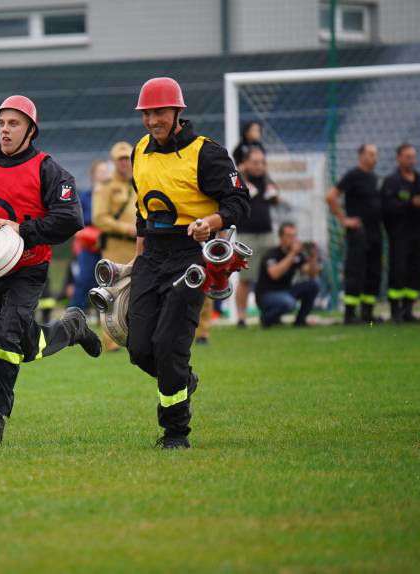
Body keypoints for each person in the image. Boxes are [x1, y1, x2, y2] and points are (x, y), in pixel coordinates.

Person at [0, 95, 102, 445]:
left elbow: (70, 218)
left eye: (14, 123)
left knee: (5, 337)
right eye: (1, 123)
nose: (5, 130)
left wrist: (23, 229)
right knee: (22, 343)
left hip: (30, 268)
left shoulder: (48, 169)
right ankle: (71, 328)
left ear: (31, 130)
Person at [127, 77, 249, 449]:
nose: (152, 121)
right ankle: (183, 379)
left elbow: (240, 203)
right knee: (138, 346)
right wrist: (137, 259)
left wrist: (209, 223)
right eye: (147, 114)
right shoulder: (140, 150)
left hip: (190, 255)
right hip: (152, 255)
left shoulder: (207, 153)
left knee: (169, 344)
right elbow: (141, 210)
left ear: (178, 112)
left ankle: (175, 431)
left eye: (159, 113)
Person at [326, 144, 383, 324]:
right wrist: (344, 219)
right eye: (371, 154)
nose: (375, 157)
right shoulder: (353, 175)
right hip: (359, 232)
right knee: (355, 272)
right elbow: (331, 196)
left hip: (375, 232)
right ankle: (350, 314)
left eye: (376, 154)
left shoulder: (373, 177)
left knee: (374, 272)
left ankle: (368, 313)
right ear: (361, 156)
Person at [382, 143, 420, 323]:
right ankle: (395, 311)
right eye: (407, 157)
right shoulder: (392, 182)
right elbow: (387, 208)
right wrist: (410, 204)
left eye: (413, 156)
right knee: (398, 271)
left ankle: (408, 310)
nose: (412, 160)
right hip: (399, 235)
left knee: (416, 271)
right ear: (399, 158)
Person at [93, 141, 138, 351]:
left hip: (138, 247)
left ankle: (133, 336)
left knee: (136, 294)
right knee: (112, 294)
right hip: (115, 246)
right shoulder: (107, 186)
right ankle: (111, 342)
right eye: (120, 159)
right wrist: (126, 229)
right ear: (114, 162)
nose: (124, 163)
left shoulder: (139, 182)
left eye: (127, 158)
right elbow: (99, 218)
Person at [235, 146, 279, 327]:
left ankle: (269, 314)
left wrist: (273, 190)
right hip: (247, 236)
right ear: (245, 164)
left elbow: (275, 200)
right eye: (255, 162)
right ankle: (241, 317)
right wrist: (241, 175)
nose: (260, 166)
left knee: (269, 278)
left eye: (262, 162)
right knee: (245, 278)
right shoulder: (239, 180)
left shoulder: (266, 180)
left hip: (267, 235)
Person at [255, 223, 320, 327]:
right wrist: (292, 254)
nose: (293, 239)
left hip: (286, 291)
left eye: (294, 236)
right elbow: (274, 274)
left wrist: (313, 256)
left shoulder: (297, 254)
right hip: (267, 295)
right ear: (281, 237)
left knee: (313, 285)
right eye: (289, 236)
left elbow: (312, 273)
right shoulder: (272, 254)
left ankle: (301, 321)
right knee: (289, 302)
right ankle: (267, 318)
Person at [70, 160, 109, 311]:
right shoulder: (85, 196)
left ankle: (106, 314)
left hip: (108, 241)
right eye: (101, 171)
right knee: (84, 279)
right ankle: (76, 312)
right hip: (89, 243)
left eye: (106, 172)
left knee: (108, 280)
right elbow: (76, 219)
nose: (104, 175)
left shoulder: (113, 195)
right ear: (93, 175)